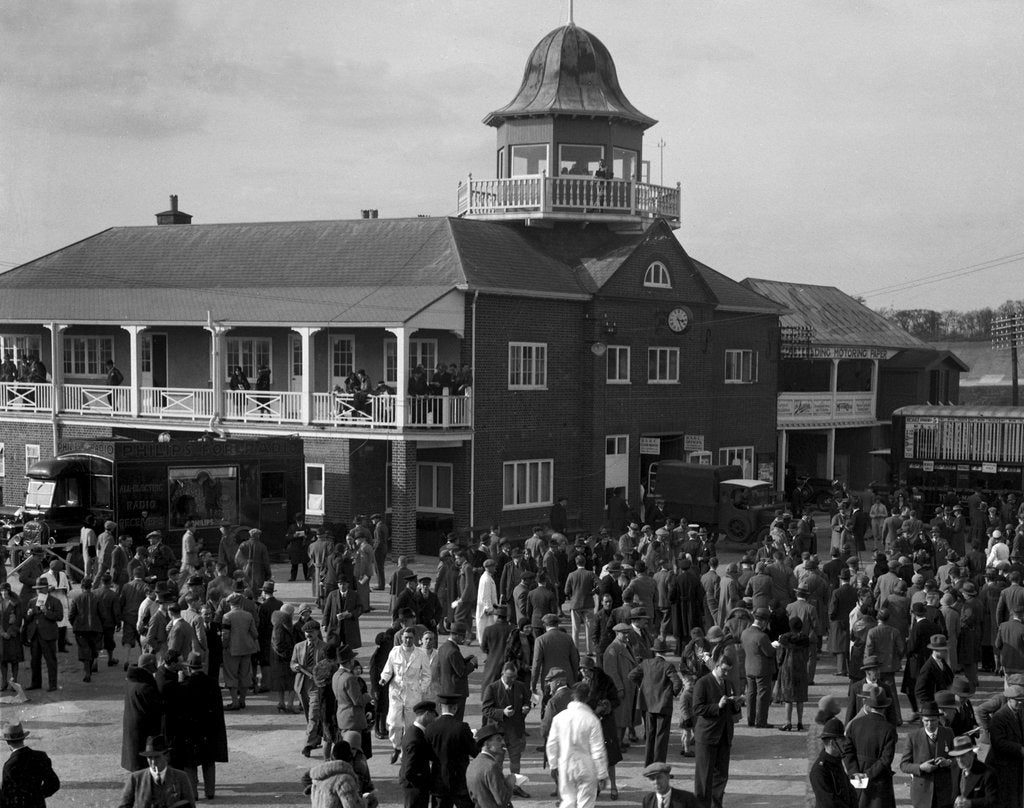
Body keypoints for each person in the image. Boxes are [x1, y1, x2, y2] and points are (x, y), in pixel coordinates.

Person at [546, 682, 609, 808]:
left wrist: (553, 765)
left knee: (568, 801)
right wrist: (602, 774)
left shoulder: (559, 718)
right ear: (588, 697)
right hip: (586, 766)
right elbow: (597, 750)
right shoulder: (591, 720)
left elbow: (551, 744)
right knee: (586, 803)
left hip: (565, 765)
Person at [691, 654, 742, 808]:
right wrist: (717, 706)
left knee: (721, 775)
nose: (726, 674)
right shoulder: (703, 683)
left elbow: (729, 707)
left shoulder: (727, 682)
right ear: (717, 666)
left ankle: (716, 804)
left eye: (729, 671)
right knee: (704, 776)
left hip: (724, 735)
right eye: (724, 670)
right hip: (707, 736)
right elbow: (697, 708)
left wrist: (736, 704)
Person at [177, 651, 227, 801]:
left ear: (189, 668)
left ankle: (193, 793)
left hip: (191, 728)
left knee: (190, 763)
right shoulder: (212, 682)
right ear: (201, 666)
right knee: (208, 760)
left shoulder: (185, 685)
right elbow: (218, 708)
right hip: (209, 727)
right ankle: (210, 791)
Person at [381, 626, 432, 762]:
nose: (408, 640)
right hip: (396, 692)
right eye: (406, 637)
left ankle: (406, 752)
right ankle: (396, 746)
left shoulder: (421, 654)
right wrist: (384, 679)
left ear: (414, 638)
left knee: (410, 725)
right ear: (401, 638)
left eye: (410, 638)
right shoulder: (395, 651)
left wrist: (421, 688)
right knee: (393, 723)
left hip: (413, 693)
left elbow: (427, 675)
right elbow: (388, 669)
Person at [843, 689, 897, 808]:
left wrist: (854, 772)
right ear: (884, 707)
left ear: (869, 705)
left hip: (857, 777)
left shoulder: (855, 724)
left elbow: (847, 750)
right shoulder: (889, 729)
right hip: (879, 779)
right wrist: (867, 775)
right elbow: (886, 759)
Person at [629, 645, 683, 765]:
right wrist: (671, 693)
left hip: (647, 704)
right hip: (663, 705)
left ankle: (648, 764)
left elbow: (632, 675)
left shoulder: (646, 663)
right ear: (665, 653)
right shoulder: (667, 666)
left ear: (655, 652)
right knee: (661, 737)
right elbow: (677, 682)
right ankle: (658, 765)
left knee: (650, 735)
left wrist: (642, 687)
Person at [481, 661, 531, 784]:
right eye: (509, 677)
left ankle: (516, 786)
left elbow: (527, 701)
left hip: (515, 730)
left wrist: (526, 707)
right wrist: (502, 712)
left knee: (516, 760)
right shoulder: (492, 688)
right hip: (498, 731)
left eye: (514, 676)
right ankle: (497, 786)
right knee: (497, 761)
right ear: (502, 674)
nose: (512, 680)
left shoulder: (520, 686)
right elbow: (486, 709)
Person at [425, 693, 478, 808]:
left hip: (439, 781)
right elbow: (475, 752)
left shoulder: (430, 728)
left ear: (440, 706)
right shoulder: (462, 727)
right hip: (460, 781)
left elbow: (428, 754)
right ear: (455, 707)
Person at [898, 702, 955, 808]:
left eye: (933, 720)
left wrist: (948, 762)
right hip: (922, 794)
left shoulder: (948, 733)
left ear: (938, 719)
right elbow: (904, 765)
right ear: (922, 720)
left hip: (943, 793)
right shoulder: (913, 737)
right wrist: (920, 767)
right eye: (926, 721)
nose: (930, 724)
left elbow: (956, 757)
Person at [117, 734, 196, 808]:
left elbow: (190, 805)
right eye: (150, 758)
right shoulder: (135, 778)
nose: (153, 762)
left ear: (167, 756)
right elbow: (124, 806)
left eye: (157, 757)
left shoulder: (181, 777)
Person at [0, 721, 61, 808]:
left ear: (8, 742)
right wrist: (38, 796)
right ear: (23, 738)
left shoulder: (10, 765)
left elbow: (6, 797)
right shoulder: (41, 756)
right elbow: (54, 784)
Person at [121, 654, 164, 773]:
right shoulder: (146, 687)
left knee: (135, 760)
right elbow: (158, 709)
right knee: (143, 763)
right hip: (144, 731)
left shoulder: (131, 682)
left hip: (133, 728)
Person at [986, 682, 1024, 808]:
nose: (1020, 703)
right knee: (1006, 798)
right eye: (1017, 701)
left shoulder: (1019, 712)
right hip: (1002, 766)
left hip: (1015, 764)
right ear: (1009, 699)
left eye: (1022, 700)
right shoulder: (999, 717)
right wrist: (1020, 749)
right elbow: (998, 743)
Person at [220, 593, 259, 710]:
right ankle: (242, 700)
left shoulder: (227, 617)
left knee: (231, 675)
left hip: (232, 650)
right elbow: (255, 634)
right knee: (245, 675)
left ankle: (234, 701)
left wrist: (224, 646)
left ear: (230, 603)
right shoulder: (248, 615)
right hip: (247, 649)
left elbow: (225, 635)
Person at [807, 717, 857, 808]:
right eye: (842, 740)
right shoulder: (819, 771)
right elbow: (829, 802)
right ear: (833, 743)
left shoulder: (836, 760)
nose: (845, 743)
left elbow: (849, 790)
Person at [24, 577, 62, 692]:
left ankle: (53, 684)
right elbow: (26, 619)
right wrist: (29, 614)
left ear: (46, 588)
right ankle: (35, 683)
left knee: (50, 660)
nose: (38, 591)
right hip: (35, 635)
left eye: (40, 588)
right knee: (34, 661)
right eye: (36, 589)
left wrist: (47, 612)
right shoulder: (32, 601)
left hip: (48, 635)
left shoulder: (55, 601)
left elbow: (59, 617)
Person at [740, 607, 776, 728]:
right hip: (762, 669)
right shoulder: (762, 636)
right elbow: (769, 652)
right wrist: (775, 646)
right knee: (763, 696)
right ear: (764, 622)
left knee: (750, 694)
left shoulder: (745, 633)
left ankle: (751, 719)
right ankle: (761, 721)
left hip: (749, 667)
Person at [399, 699, 438, 808]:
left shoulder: (412, 731)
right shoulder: (416, 739)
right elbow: (409, 771)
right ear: (427, 714)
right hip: (415, 789)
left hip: (412, 787)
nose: (434, 719)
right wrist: (424, 784)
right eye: (433, 716)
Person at [437, 621, 478, 721]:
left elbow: (452, 665)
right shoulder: (453, 651)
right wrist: (472, 664)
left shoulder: (443, 647)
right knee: (456, 720)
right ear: (456, 635)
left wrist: (465, 660)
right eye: (462, 636)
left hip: (446, 690)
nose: (463, 639)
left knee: (447, 719)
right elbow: (462, 672)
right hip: (456, 693)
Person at [466, 724, 514, 808]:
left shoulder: (472, 764)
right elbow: (502, 800)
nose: (503, 743)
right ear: (487, 744)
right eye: (498, 739)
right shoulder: (492, 766)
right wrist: (510, 783)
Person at [947, 734, 998, 807]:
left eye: (963, 755)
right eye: (957, 756)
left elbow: (992, 800)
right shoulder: (955, 767)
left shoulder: (987, 773)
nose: (960, 760)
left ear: (972, 754)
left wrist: (971, 803)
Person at [69, 576, 103, 682]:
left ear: (82, 586)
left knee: (84, 649)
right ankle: (89, 669)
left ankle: (87, 670)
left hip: (81, 629)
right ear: (91, 586)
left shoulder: (77, 598)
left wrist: (74, 624)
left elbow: (71, 615)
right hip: (95, 629)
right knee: (93, 650)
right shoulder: (97, 598)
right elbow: (102, 614)